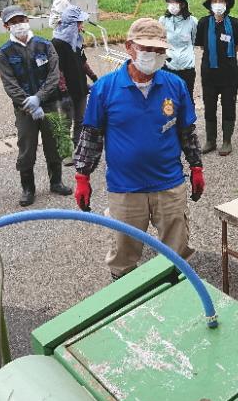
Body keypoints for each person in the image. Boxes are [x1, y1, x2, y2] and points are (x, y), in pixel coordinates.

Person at [73, 18, 205, 280]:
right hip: (125, 188)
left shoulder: (174, 85)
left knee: (176, 250)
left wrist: (197, 166)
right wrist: (82, 176)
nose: (153, 56)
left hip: (168, 184)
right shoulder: (104, 89)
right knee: (123, 253)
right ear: (129, 47)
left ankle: (173, 292)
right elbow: (91, 136)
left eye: (159, 51)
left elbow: (186, 132)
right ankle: (126, 305)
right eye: (147, 49)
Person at [0, 5, 72, 206]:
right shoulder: (4, 53)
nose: (19, 25)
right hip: (24, 110)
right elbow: (9, 84)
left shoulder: (44, 45)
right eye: (14, 22)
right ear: (6, 26)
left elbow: (54, 74)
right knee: (27, 148)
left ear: (27, 21)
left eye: (21, 20)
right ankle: (28, 189)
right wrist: (28, 103)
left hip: (48, 105)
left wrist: (39, 97)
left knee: (52, 144)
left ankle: (56, 182)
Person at [195, 0, 238, 156]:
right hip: (209, 73)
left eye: (221, 1)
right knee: (209, 107)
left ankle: (227, 141)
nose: (218, 4)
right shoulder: (203, 23)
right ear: (210, 4)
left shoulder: (235, 23)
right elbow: (202, 45)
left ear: (226, 3)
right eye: (214, 1)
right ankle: (210, 140)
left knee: (228, 106)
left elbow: (237, 46)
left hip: (229, 73)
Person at [52, 5, 97, 155]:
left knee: (81, 120)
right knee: (66, 123)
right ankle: (65, 153)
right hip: (66, 91)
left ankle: (77, 148)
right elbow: (58, 71)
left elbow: (83, 62)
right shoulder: (57, 44)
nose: (81, 26)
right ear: (71, 24)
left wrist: (94, 78)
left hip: (80, 87)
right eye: (79, 23)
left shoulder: (77, 40)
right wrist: (64, 92)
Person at [159, 0, 198, 102]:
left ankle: (188, 120)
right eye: (170, 1)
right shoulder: (163, 20)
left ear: (183, 4)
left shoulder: (193, 22)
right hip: (168, 66)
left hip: (187, 67)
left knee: (187, 97)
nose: (172, 4)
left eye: (175, 2)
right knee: (168, 99)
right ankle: (170, 120)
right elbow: (160, 42)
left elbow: (195, 40)